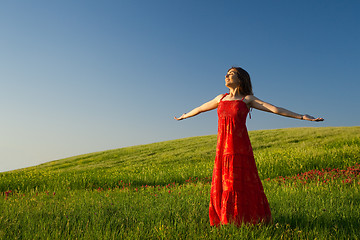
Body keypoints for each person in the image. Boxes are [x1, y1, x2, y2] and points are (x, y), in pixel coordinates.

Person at [174, 67, 324, 226]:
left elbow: (274, 109)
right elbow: (200, 108)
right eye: (227, 73)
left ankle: (244, 220)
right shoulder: (221, 98)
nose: (226, 76)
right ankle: (227, 220)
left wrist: (301, 116)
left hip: (239, 148)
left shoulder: (247, 99)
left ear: (241, 79)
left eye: (231, 74)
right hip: (222, 148)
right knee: (224, 182)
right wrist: (185, 115)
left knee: (238, 182)